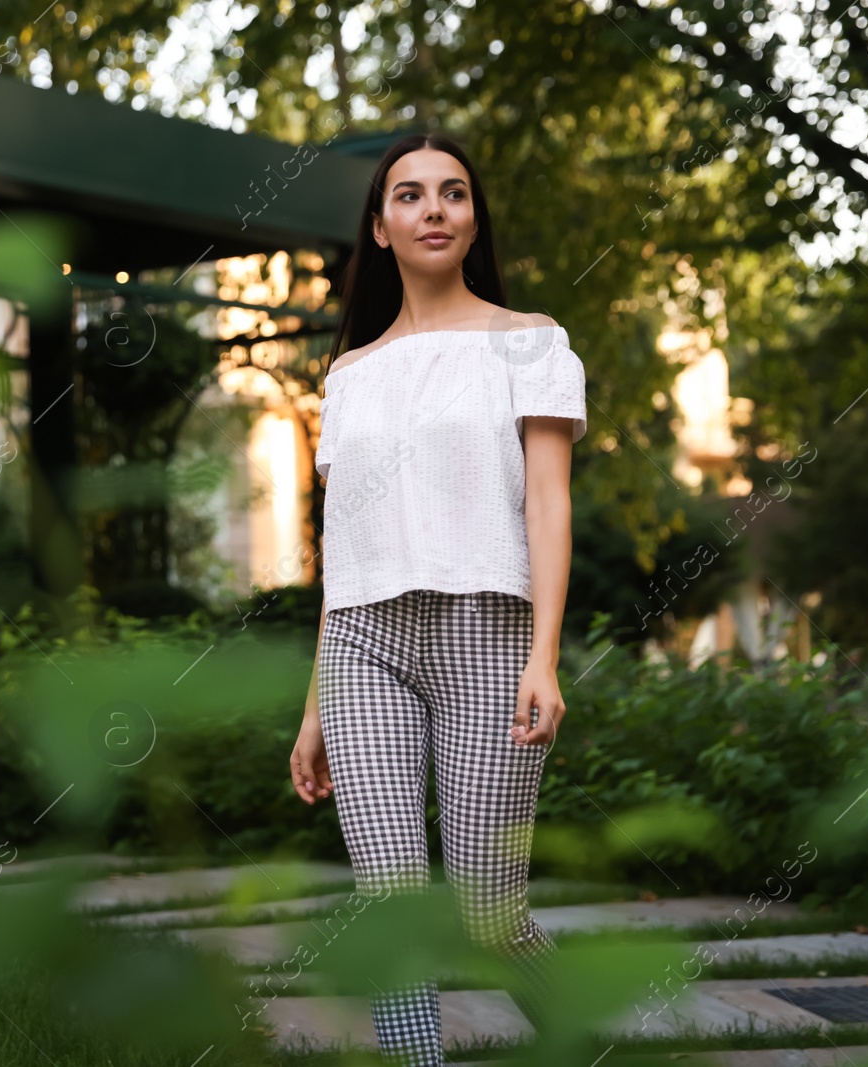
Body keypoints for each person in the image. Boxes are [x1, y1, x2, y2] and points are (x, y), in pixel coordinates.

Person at [289, 132, 588, 1067]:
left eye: (453, 194)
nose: (433, 209)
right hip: (364, 651)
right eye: (410, 195)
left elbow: (548, 503)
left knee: (488, 911)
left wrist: (543, 656)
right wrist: (313, 709)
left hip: (488, 640)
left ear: (472, 218)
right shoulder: (346, 376)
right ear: (379, 227)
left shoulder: (527, 342)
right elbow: (343, 555)